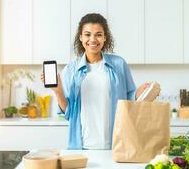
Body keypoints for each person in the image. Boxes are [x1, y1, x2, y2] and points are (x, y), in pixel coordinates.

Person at [41, 13, 149, 150]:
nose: (93, 39)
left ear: (105, 38)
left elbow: (129, 100)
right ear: (80, 37)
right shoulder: (70, 70)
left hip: (116, 145)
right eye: (87, 34)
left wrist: (142, 91)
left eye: (98, 34)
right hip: (82, 146)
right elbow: (68, 113)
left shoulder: (119, 64)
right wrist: (57, 91)